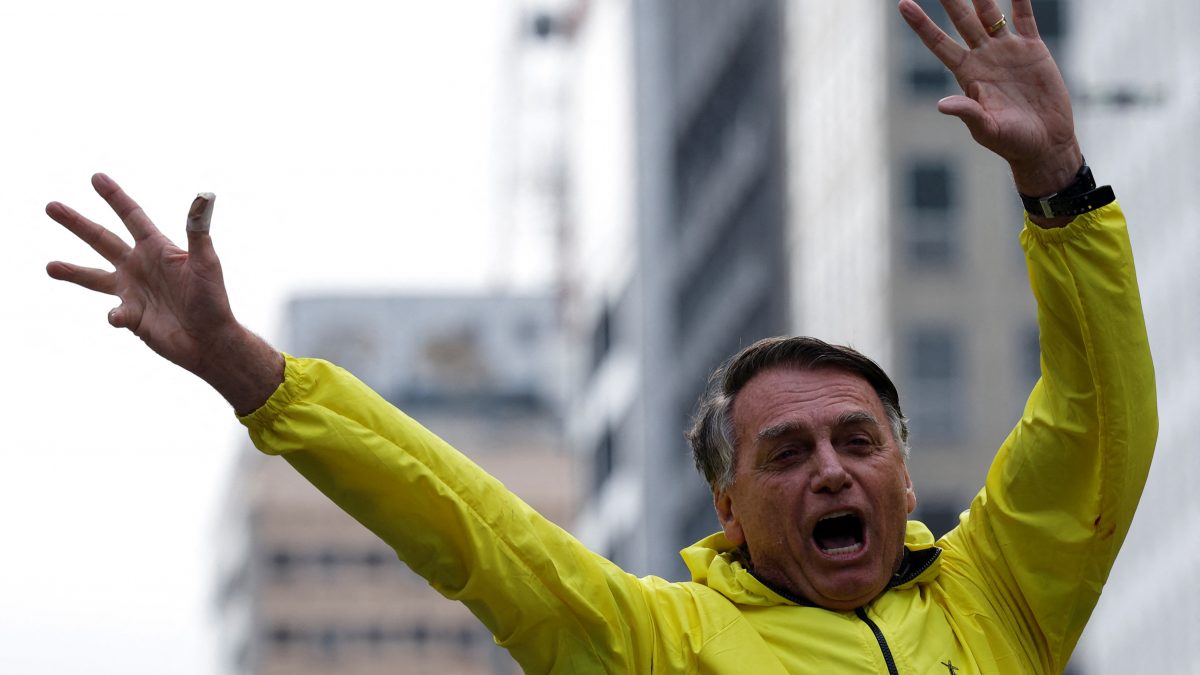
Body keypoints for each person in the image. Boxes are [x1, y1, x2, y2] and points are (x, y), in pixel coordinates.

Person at [45, 0, 1155, 672]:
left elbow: (1096, 421)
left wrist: (1059, 182)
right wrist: (248, 370)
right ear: (726, 509)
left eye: (858, 442)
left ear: (905, 479)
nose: (830, 468)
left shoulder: (996, 596)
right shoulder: (654, 646)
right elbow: (467, 524)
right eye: (787, 452)